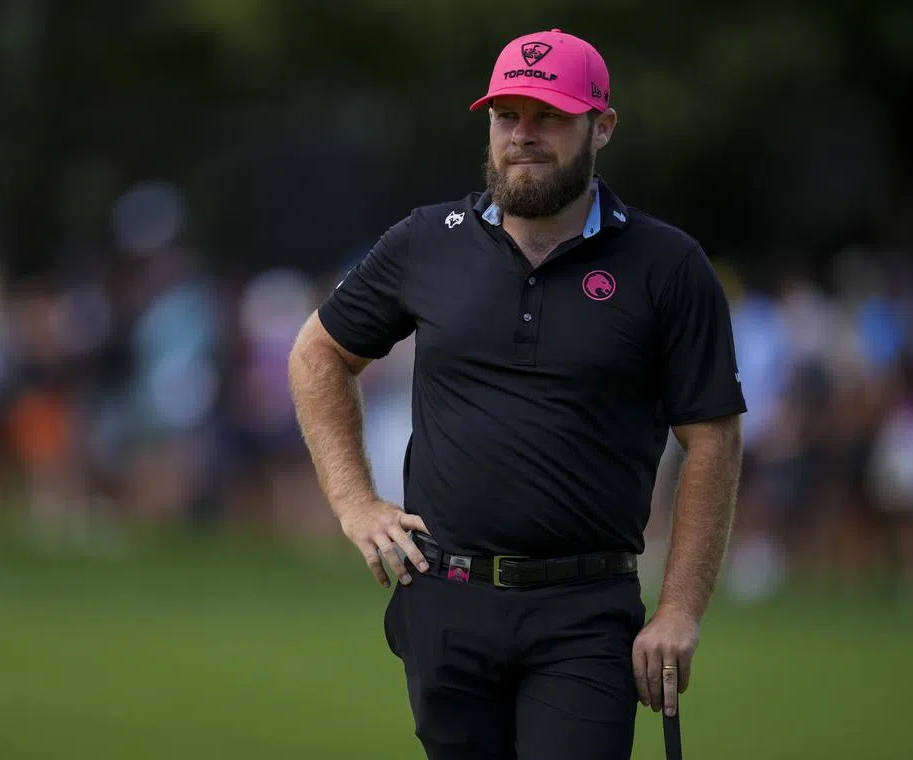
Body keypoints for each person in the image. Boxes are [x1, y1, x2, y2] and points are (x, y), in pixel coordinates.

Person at [287, 28, 746, 760]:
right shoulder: (425, 241)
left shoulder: (668, 264)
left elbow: (713, 437)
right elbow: (318, 353)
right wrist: (354, 504)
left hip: (586, 610)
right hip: (444, 598)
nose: (523, 136)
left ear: (601, 126)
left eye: (549, 116)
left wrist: (681, 610)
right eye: (508, 116)